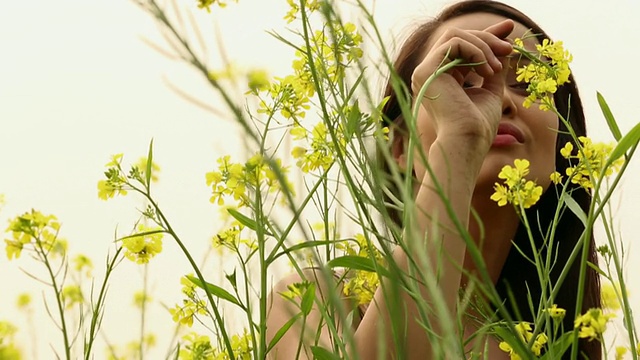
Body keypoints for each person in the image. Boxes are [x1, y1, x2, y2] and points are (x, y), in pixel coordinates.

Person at [266, 1, 601, 359]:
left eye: (526, 84)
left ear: (565, 141)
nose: (500, 99)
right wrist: (459, 143)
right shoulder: (321, 299)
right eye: (464, 80)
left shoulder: (553, 344)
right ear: (402, 145)